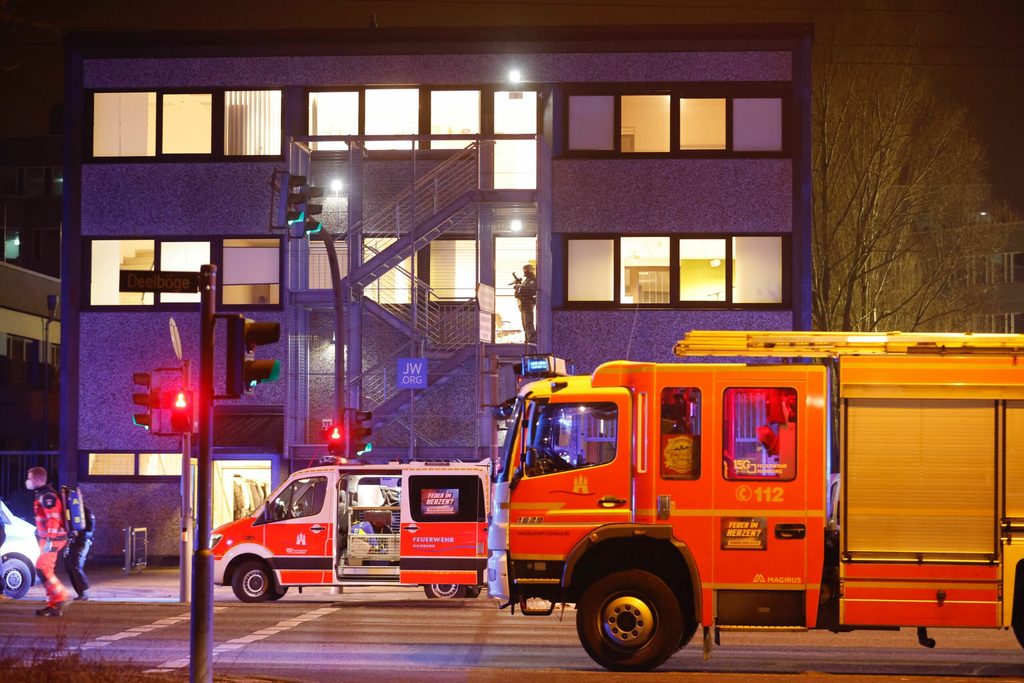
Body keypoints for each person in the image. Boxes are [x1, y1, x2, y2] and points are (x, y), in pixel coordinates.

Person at [26, 466, 69, 616]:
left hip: (53, 539)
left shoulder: (47, 495)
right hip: (49, 539)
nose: (28, 481)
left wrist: (50, 539)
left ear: (37, 479)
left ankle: (60, 597)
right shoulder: (43, 494)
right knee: (46, 570)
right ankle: (53, 604)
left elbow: (53, 519)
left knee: (42, 568)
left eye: (30, 478)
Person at [65, 502, 95, 601]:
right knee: (70, 567)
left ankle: (84, 592)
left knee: (76, 565)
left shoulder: (85, 512)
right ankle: (80, 592)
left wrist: (79, 533)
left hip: (83, 542)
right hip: (76, 541)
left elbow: (89, 530)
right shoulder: (73, 512)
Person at [514, 263, 537, 344]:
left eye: (527, 270)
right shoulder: (526, 280)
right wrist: (518, 286)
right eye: (525, 270)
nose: (525, 271)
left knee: (528, 323)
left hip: (528, 303)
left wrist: (519, 286)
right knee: (525, 324)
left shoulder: (533, 280)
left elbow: (530, 289)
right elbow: (519, 292)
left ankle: (532, 340)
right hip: (523, 304)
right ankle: (528, 340)